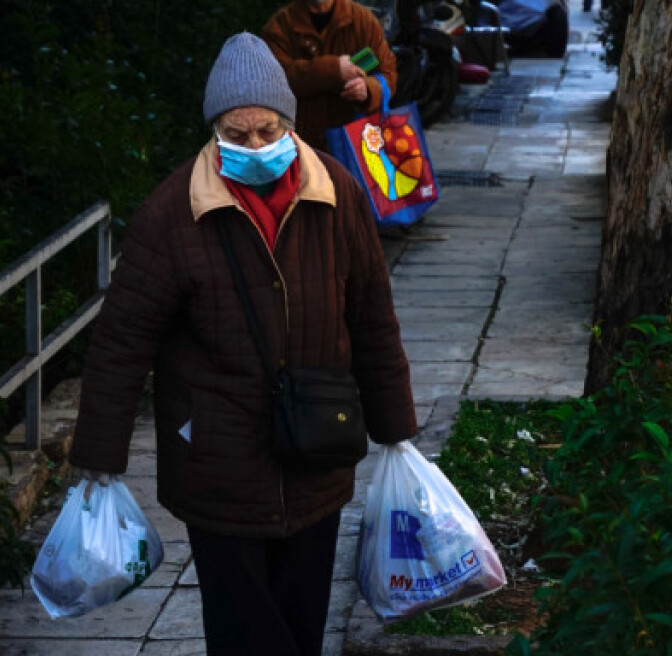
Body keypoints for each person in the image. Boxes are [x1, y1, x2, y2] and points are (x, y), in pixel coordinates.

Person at [67, 32, 416, 656]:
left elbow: (372, 317)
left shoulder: (335, 192)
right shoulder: (172, 213)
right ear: (214, 131)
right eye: (237, 134)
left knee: (302, 618)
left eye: (267, 131)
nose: (255, 146)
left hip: (316, 449)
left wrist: (397, 430)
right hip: (216, 460)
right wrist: (101, 455)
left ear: (290, 123)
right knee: (241, 626)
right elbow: (122, 341)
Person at [263, 0, 398, 151]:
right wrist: (334, 69)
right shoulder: (280, 25)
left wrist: (368, 89)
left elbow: (389, 75)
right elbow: (272, 81)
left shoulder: (363, 21)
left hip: (354, 148)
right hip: (298, 146)